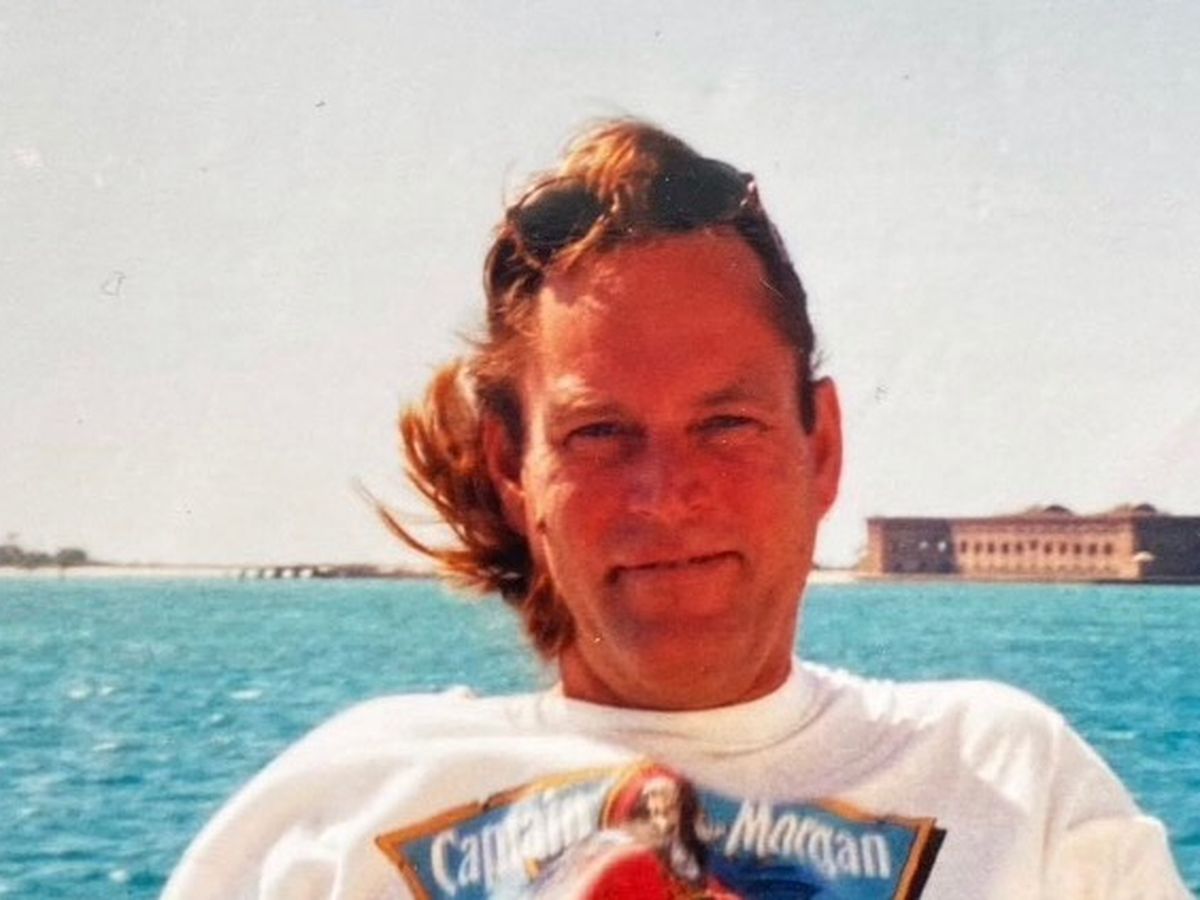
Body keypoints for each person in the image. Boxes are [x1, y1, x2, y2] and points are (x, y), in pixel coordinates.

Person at [164, 121, 1189, 898]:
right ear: (513, 471)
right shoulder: (338, 811)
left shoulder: (1013, 784)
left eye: (726, 424)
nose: (666, 494)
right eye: (599, 434)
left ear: (821, 448)